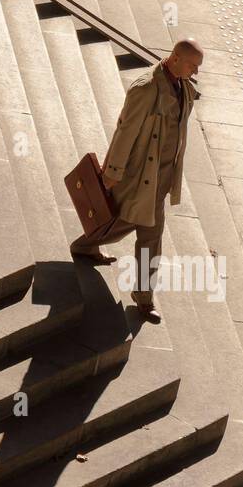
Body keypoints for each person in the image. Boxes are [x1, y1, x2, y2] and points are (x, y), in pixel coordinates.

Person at [70, 38, 204, 322]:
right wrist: (112, 173)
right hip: (139, 177)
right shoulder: (145, 89)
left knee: (144, 230)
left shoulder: (184, 87)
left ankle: (139, 291)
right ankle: (139, 294)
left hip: (161, 177)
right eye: (193, 65)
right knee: (133, 223)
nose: (196, 72)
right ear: (176, 58)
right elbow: (125, 131)